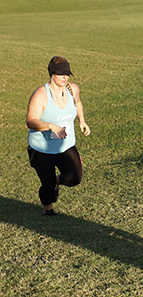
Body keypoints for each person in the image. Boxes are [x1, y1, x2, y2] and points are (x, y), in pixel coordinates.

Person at [26, 56, 90, 216]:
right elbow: (30, 121)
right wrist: (49, 126)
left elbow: (78, 103)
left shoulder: (72, 89)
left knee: (74, 177)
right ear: (51, 73)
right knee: (47, 185)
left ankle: (56, 181)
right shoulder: (41, 95)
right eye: (60, 73)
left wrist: (82, 120)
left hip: (65, 144)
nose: (64, 77)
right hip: (42, 148)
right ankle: (48, 210)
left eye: (67, 73)